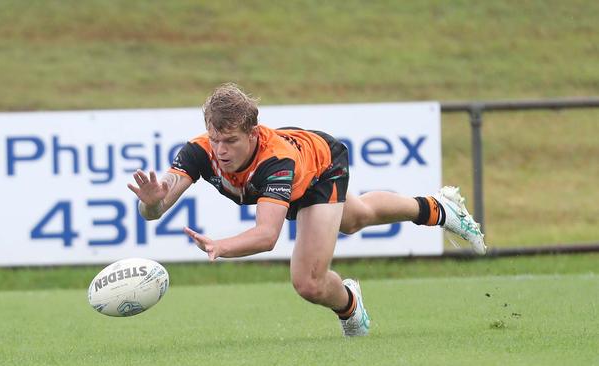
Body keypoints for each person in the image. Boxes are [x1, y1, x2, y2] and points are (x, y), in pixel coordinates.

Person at [127, 83, 486, 337]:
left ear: (252, 133)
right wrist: (152, 201)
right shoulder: (199, 151)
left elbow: (267, 237)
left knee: (309, 282)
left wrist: (221, 247)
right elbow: (155, 211)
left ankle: (350, 304)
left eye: (231, 141)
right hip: (292, 177)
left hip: (320, 167)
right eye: (215, 139)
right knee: (356, 216)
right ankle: (437, 208)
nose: (220, 150)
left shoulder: (275, 161)